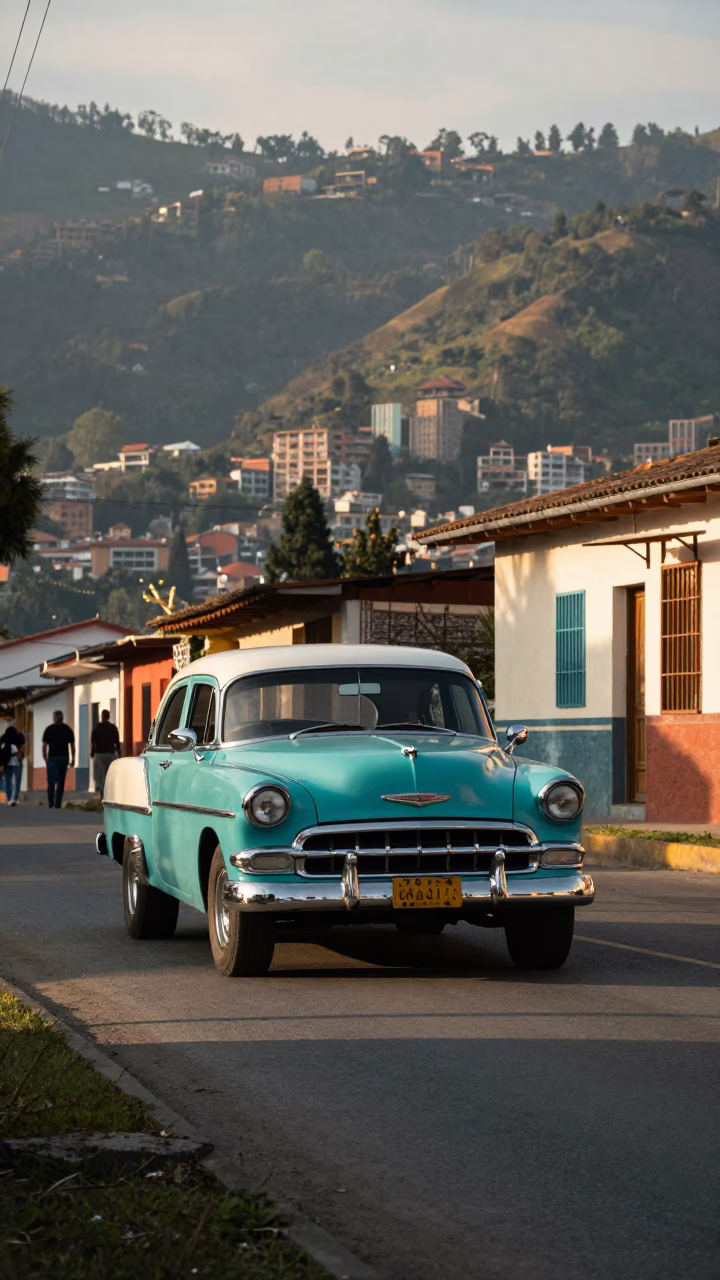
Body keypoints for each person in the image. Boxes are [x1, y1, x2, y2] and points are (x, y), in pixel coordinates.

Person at [42, 710, 75, 810]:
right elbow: (72, 746)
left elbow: (44, 746)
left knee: (51, 781)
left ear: (54, 718)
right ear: (62, 718)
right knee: (61, 781)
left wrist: (45, 758)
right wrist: (73, 759)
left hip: (52, 758)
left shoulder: (49, 729)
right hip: (64, 758)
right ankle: (58, 803)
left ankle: (51, 802)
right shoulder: (68, 729)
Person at [90, 709, 120, 799]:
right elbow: (117, 743)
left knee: (100, 775)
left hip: (99, 754)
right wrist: (119, 754)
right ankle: (110, 794)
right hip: (110, 754)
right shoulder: (113, 728)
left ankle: (103, 794)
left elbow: (93, 742)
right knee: (109, 775)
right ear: (109, 716)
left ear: (101, 716)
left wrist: (92, 752)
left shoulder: (96, 728)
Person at [0, 717, 25, 807]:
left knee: (8, 782)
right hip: (17, 763)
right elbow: (22, 749)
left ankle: (10, 799)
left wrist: (1, 765)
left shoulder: (4, 740)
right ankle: (15, 798)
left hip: (7, 764)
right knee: (17, 782)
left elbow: (1, 754)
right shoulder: (18, 740)